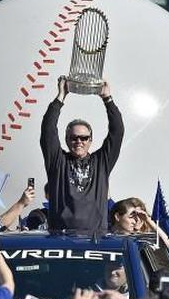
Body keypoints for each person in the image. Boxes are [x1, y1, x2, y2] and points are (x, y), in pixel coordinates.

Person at [40, 76, 124, 232]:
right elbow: (48, 130)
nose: (79, 141)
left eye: (84, 138)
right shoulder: (57, 162)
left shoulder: (101, 162)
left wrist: (107, 99)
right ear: (66, 139)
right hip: (60, 238)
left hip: (95, 238)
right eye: (74, 137)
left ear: (90, 140)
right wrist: (60, 97)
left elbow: (117, 132)